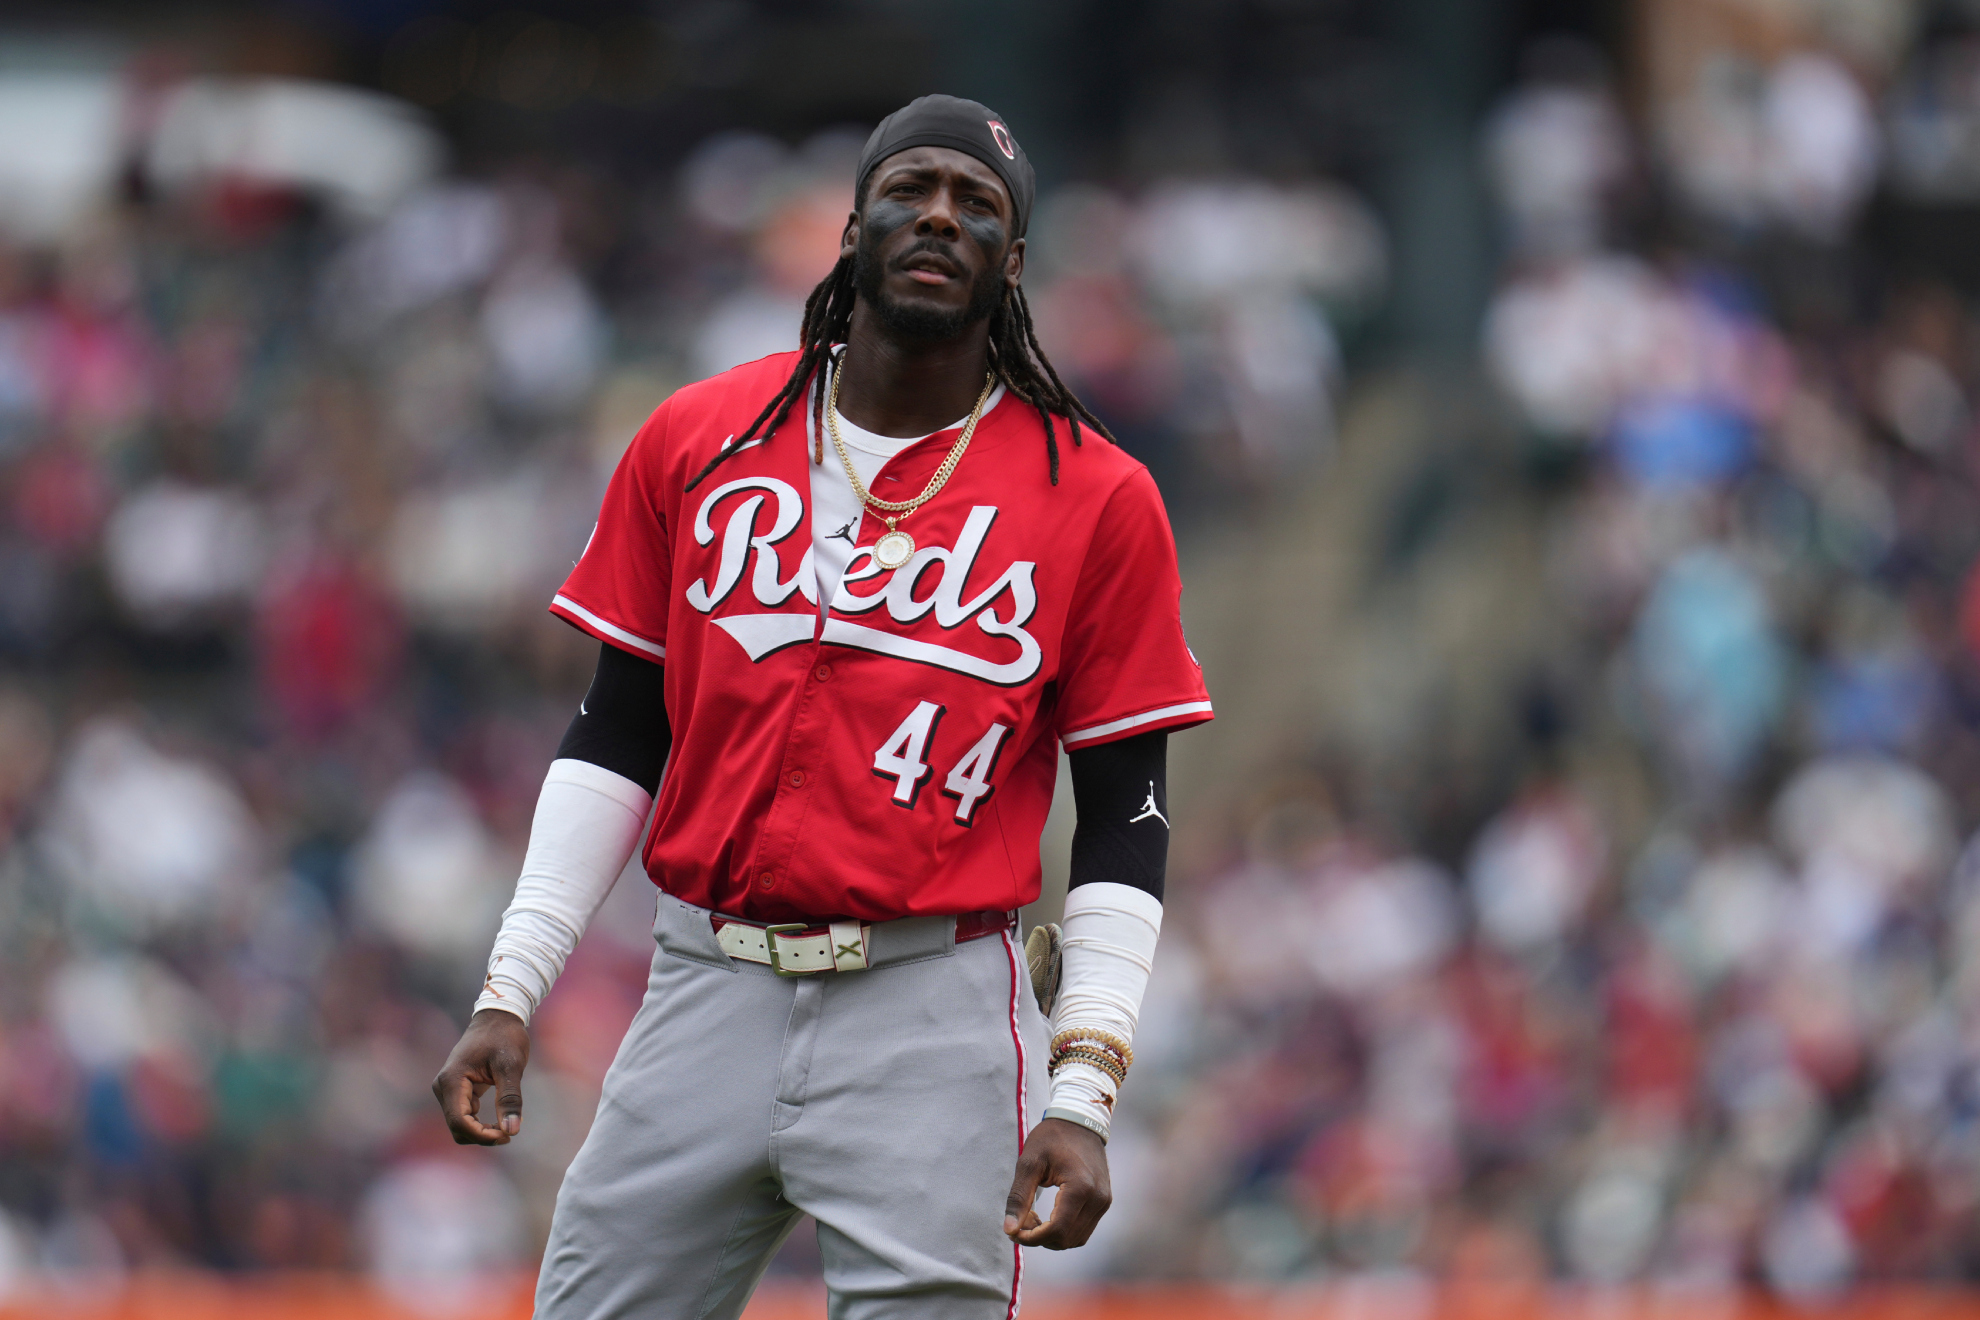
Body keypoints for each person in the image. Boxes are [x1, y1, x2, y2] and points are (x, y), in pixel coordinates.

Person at [432, 94, 1212, 1319]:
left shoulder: (1097, 495)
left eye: (979, 205)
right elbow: (616, 736)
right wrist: (508, 990)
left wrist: (1083, 1094)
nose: (940, 218)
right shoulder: (700, 436)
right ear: (853, 226)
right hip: (705, 982)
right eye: (913, 189)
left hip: (933, 1007)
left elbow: (1128, 815)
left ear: (1016, 260)